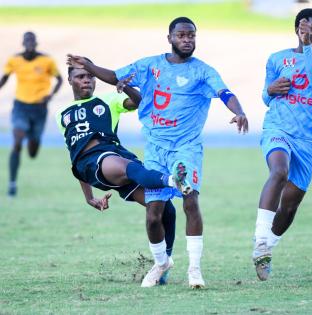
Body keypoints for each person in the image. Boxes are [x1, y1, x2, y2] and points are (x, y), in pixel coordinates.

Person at [67, 16, 249, 288]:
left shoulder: (203, 71)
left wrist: (239, 111)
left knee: (190, 200)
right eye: (182, 35)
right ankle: (161, 262)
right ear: (170, 38)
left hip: (186, 147)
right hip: (155, 149)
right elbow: (116, 76)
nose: (187, 40)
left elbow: (224, 93)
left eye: (191, 36)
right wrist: (90, 66)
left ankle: (195, 270)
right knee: (154, 214)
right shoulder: (150, 65)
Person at [57, 64, 193, 284]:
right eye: (80, 77)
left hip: (115, 153)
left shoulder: (108, 101)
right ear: (70, 80)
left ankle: (163, 263)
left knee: (163, 209)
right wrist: (89, 197)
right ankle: (172, 180)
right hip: (93, 163)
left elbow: (141, 103)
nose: (87, 80)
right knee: (127, 166)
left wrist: (127, 87)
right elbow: (74, 154)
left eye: (90, 76)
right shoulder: (61, 115)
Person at [251, 8, 312, 281]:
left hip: (307, 140)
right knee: (279, 172)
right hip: (277, 129)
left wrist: (307, 46)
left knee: (289, 206)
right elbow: (266, 97)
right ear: (299, 29)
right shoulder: (277, 58)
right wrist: (269, 90)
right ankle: (260, 239)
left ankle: (266, 252)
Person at [0, 31, 63, 196]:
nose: (29, 44)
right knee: (17, 141)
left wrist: (51, 95)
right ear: (22, 43)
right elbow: (5, 77)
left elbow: (60, 79)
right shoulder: (14, 60)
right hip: (20, 106)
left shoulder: (47, 60)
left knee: (32, 150)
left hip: (39, 108)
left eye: (32, 41)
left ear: (36, 43)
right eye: (26, 41)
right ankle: (12, 184)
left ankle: (33, 140)